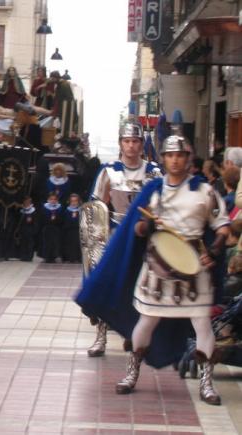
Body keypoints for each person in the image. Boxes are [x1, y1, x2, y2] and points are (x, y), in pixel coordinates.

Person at [77, 134, 230, 406]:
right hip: (157, 269)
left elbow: (222, 227)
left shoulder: (204, 190)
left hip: (195, 270)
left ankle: (207, 382)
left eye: (180, 155)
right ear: (164, 158)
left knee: (202, 325)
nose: (175, 160)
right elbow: (136, 229)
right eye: (170, 155)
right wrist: (149, 225)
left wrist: (215, 251)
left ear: (188, 158)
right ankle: (132, 373)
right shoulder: (153, 190)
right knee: (146, 322)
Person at [85, 118, 162, 357]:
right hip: (116, 234)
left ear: (142, 144)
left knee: (140, 288)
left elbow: (162, 205)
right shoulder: (108, 171)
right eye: (127, 141)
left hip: (145, 237)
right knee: (109, 286)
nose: (131, 146)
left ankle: (134, 336)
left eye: (135, 141)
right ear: (121, 144)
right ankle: (101, 336)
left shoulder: (154, 172)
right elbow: (97, 206)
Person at [49, 70, 76, 136]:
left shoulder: (64, 85)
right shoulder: (59, 85)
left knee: (66, 126)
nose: (52, 80)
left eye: (53, 78)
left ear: (56, 77)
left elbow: (68, 98)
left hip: (67, 109)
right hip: (62, 108)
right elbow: (57, 97)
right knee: (63, 125)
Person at [39, 192, 63, 263]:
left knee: (56, 243)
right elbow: (42, 218)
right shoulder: (45, 207)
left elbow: (62, 218)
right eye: (51, 199)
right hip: (47, 227)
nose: (53, 201)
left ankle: (56, 256)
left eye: (54, 199)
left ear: (57, 200)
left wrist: (56, 220)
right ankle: (46, 257)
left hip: (56, 228)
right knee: (46, 243)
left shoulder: (59, 208)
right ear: (48, 200)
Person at [15, 196, 39, 262]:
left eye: (28, 202)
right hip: (23, 231)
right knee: (23, 244)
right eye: (26, 201)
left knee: (30, 245)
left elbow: (36, 222)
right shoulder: (21, 210)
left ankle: (29, 257)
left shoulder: (33, 211)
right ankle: (23, 256)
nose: (27, 203)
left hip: (30, 231)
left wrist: (34, 231)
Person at [62, 194, 82, 263]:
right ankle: (70, 258)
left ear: (78, 201)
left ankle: (78, 258)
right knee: (70, 245)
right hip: (69, 230)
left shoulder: (81, 210)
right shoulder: (67, 210)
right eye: (72, 201)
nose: (74, 203)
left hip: (78, 230)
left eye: (75, 201)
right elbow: (65, 221)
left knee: (78, 244)